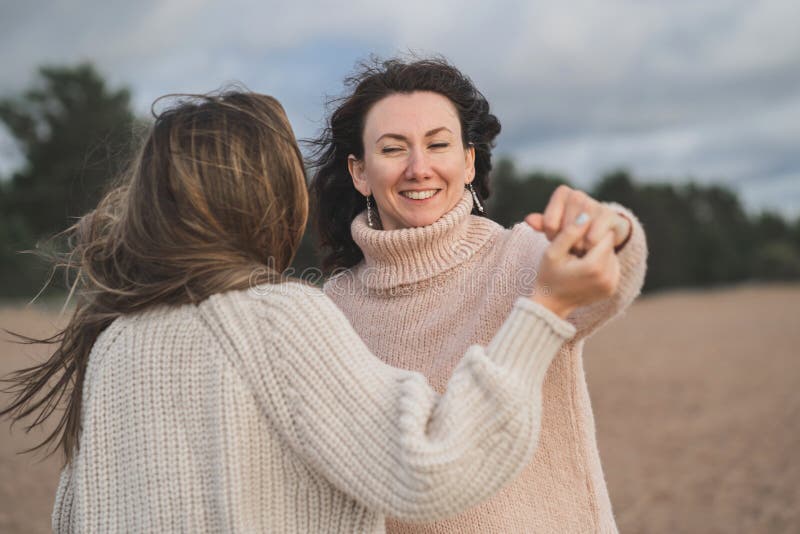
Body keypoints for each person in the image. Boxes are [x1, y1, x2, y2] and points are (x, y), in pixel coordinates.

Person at [0, 91, 618, 533]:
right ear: (267, 196)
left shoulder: (113, 343)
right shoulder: (281, 320)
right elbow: (433, 467)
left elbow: (73, 516)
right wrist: (546, 308)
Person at [310, 57, 648, 533]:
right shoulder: (332, 311)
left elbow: (614, 276)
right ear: (360, 171)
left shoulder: (523, 259)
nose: (418, 167)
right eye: (393, 149)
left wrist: (610, 228)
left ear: (468, 161)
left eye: (438, 144)